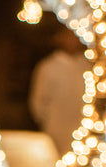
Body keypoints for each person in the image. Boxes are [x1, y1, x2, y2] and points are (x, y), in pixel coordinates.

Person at [28, 26, 87, 158]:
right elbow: (38, 103)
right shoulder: (48, 67)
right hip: (57, 132)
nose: (73, 40)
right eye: (69, 36)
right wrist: (50, 121)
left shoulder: (85, 65)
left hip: (83, 132)